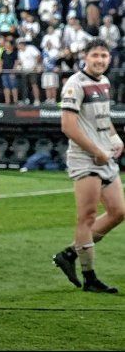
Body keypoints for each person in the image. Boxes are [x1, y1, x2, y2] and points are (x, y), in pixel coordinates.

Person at [52, 38, 123, 294]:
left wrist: (115, 140)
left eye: (104, 55)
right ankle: (89, 277)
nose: (100, 60)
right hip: (86, 158)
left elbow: (103, 118)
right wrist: (96, 151)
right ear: (85, 57)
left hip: (105, 156)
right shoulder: (75, 83)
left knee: (118, 212)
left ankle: (70, 253)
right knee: (87, 217)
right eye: (96, 55)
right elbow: (68, 126)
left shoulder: (104, 82)